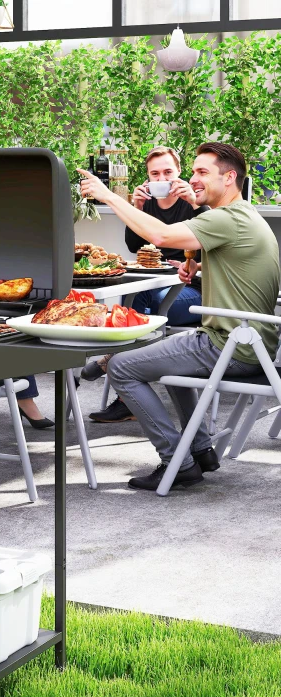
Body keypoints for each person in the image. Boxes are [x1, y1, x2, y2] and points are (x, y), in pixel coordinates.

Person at [79, 142, 280, 491]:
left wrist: (108, 196)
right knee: (170, 360)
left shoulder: (226, 217)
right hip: (253, 344)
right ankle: (201, 450)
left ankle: (177, 461)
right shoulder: (244, 216)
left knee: (122, 367)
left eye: (203, 171)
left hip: (230, 345)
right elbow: (232, 260)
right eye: (194, 171)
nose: (194, 178)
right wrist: (199, 266)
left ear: (229, 177)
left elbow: (160, 235)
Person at [85, 146, 207, 423]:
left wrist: (195, 205)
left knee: (143, 303)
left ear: (179, 172)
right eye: (155, 174)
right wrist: (136, 208)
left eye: (168, 172)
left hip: (193, 289)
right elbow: (133, 246)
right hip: (155, 285)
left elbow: (208, 247)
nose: (162, 178)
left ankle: (111, 365)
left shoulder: (194, 203)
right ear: (148, 177)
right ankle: (125, 391)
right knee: (134, 299)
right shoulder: (147, 204)